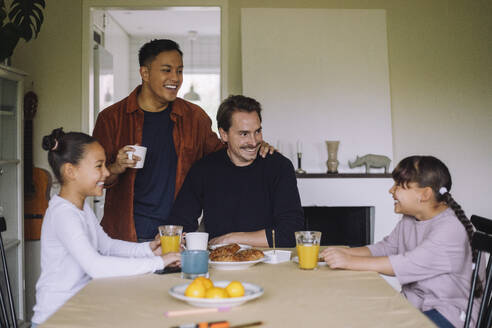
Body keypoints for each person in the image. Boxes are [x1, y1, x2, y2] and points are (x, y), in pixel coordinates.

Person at [93, 39, 273, 242]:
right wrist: (117, 166)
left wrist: (254, 144)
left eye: (179, 71)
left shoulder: (194, 117)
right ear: (144, 73)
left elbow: (225, 155)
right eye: (166, 70)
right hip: (124, 237)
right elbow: (94, 178)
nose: (175, 78)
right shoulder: (111, 118)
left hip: (178, 235)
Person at [31, 128, 180, 326]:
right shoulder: (63, 214)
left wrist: (148, 250)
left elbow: (107, 245)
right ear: (70, 171)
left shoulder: (80, 207)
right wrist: (159, 262)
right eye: (99, 166)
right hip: (58, 319)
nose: (107, 172)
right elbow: (96, 265)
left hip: (80, 313)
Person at [320, 156, 483, 328]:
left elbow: (409, 264)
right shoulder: (411, 219)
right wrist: (343, 251)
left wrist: (348, 262)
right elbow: (387, 247)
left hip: (450, 314)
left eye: (398, 185)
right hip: (415, 305)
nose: (391, 190)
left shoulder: (451, 228)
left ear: (425, 194)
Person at [168, 95, 304, 247]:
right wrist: (180, 241)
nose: (253, 142)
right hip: (220, 263)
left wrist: (231, 238)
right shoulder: (203, 169)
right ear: (224, 134)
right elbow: (179, 225)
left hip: (270, 262)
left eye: (257, 131)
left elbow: (292, 233)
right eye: (244, 134)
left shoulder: (279, 167)